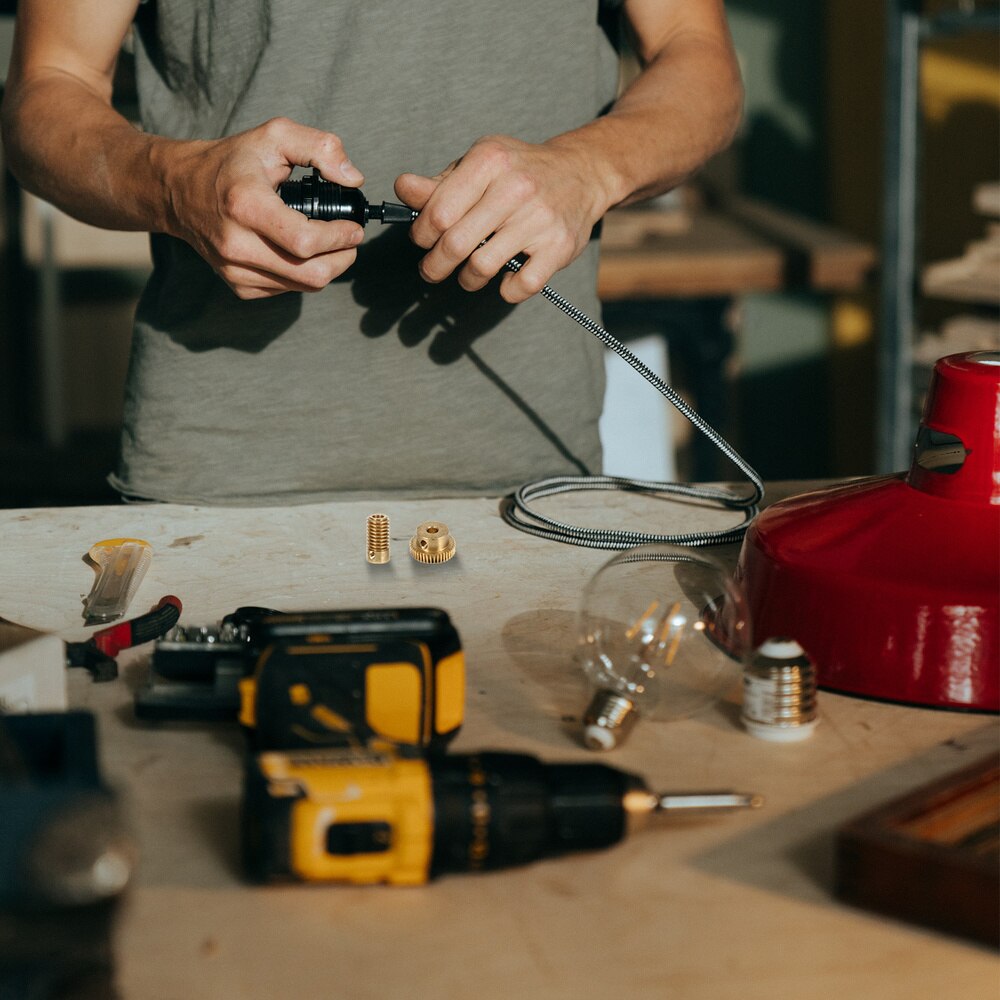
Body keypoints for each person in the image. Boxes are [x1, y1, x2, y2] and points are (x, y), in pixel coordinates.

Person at [1, 1, 742, 505]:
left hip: (527, 465)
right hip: (225, 474)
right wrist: (173, 185)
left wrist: (591, 168)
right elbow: (49, 84)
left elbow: (696, 54)